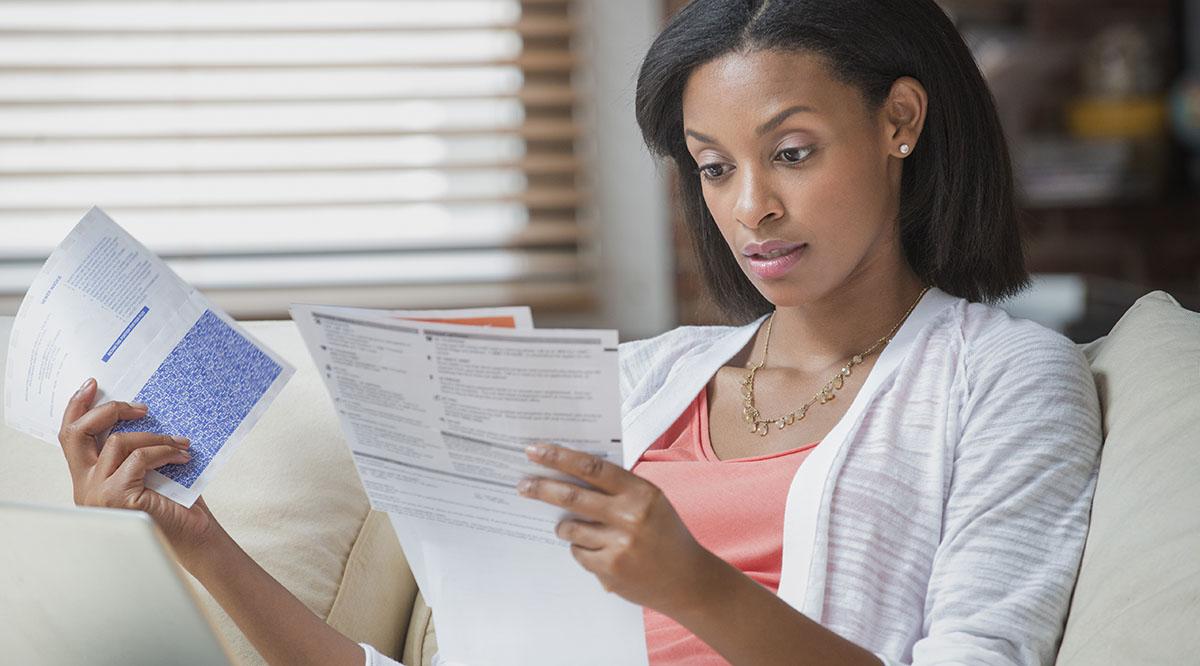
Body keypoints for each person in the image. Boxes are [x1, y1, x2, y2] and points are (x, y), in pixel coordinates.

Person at [56, 1, 1103, 664]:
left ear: (900, 122)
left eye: (791, 151)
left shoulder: (1005, 379)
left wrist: (694, 588)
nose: (750, 210)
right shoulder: (642, 380)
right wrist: (197, 547)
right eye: (714, 164)